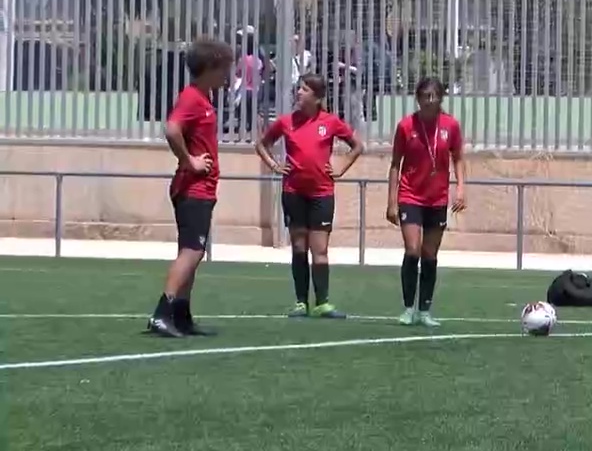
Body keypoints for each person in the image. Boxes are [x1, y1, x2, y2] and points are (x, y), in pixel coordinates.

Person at [255, 73, 365, 318]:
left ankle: (323, 302)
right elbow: (262, 144)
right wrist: (274, 165)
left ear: (317, 97)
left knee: (320, 249)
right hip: (293, 192)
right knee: (298, 246)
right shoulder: (286, 122)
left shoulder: (331, 122)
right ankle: (301, 302)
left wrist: (340, 169)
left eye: (304, 89)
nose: (299, 93)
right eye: (299, 88)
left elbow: (357, 146)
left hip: (322, 193)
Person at [147, 37, 236, 338]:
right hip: (193, 188)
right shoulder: (191, 97)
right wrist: (189, 161)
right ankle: (162, 313)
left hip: (203, 189)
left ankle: (182, 316)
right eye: (224, 69)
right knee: (192, 251)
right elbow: (172, 129)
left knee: (192, 251)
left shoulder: (203, 98)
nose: (227, 75)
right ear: (210, 67)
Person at [387, 77, 467, 326]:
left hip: (437, 198)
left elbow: (459, 159)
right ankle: (409, 308)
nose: (429, 101)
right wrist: (391, 201)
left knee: (430, 254)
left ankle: (425, 310)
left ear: (441, 97)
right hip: (410, 195)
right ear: (418, 98)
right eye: (425, 96)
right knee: (412, 250)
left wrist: (461, 188)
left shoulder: (450, 126)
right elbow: (395, 164)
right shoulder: (406, 126)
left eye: (434, 96)